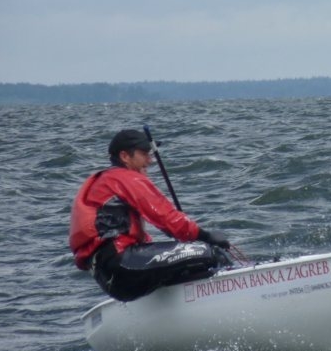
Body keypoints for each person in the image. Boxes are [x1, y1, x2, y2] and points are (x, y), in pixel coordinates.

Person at [69, 129, 231, 302]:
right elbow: (167, 218)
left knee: (186, 263)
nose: (150, 160)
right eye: (144, 154)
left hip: (109, 275)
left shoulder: (106, 181)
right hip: (122, 263)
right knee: (209, 252)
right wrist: (206, 236)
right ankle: (232, 292)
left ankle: (187, 302)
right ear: (125, 156)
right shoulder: (123, 178)